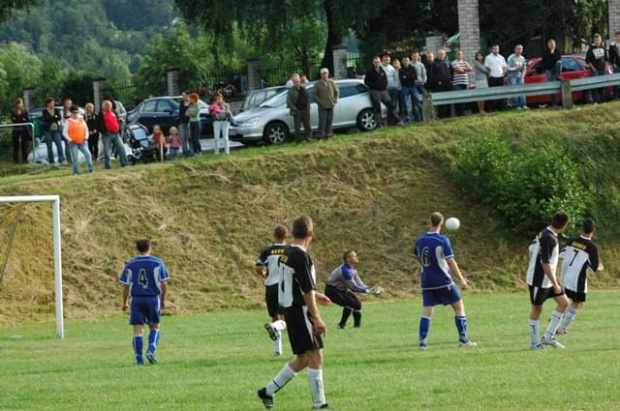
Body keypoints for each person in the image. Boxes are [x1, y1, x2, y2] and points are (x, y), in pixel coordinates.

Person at [257, 216, 332, 410]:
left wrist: (318, 295)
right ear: (311, 234)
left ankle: (268, 391)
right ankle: (319, 405)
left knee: (304, 358)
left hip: (290, 309)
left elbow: (295, 284)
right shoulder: (301, 255)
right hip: (300, 311)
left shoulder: (287, 253)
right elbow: (306, 290)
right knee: (316, 355)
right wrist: (317, 318)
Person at [413, 212, 476, 350]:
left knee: (427, 311)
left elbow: (417, 256)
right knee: (459, 307)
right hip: (443, 280)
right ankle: (463, 340)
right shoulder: (442, 240)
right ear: (441, 224)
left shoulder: (420, 240)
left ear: (429, 221)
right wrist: (461, 280)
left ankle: (422, 343)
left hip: (426, 281)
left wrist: (428, 266)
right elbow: (450, 260)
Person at [119, 238, 170, 365]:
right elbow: (164, 283)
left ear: (138, 249)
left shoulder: (130, 264)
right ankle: (151, 350)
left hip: (136, 299)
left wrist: (124, 303)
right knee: (155, 326)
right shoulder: (157, 262)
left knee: (138, 330)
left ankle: (139, 360)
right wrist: (163, 299)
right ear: (149, 248)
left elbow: (126, 286)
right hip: (153, 298)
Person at [526, 211, 571, 349]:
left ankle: (548, 337)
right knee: (537, 309)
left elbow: (531, 249)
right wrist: (555, 283)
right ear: (564, 226)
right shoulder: (548, 238)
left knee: (564, 303)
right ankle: (534, 343)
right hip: (539, 281)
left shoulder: (545, 232)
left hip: (549, 278)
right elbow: (544, 263)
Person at [557, 218, 604, 335]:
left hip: (565, 276)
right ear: (594, 230)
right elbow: (593, 267)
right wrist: (599, 267)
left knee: (566, 301)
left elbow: (560, 254)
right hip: (577, 279)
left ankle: (557, 320)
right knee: (577, 303)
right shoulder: (591, 247)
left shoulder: (571, 240)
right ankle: (561, 328)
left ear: (581, 228)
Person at [255, 225, 289, 357]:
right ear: (286, 236)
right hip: (285, 285)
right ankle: (276, 328)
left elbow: (258, 267)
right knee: (285, 318)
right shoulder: (289, 250)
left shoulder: (267, 251)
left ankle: (277, 350)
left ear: (274, 236)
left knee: (274, 316)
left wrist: (264, 274)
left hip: (270, 286)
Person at [325, 250, 370, 329]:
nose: (356, 257)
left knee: (357, 304)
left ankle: (357, 327)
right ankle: (341, 325)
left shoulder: (352, 269)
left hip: (341, 290)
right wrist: (366, 291)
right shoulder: (345, 270)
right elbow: (353, 287)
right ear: (348, 259)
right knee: (350, 303)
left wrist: (371, 289)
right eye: (354, 256)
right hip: (332, 290)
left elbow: (360, 284)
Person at [364, 56, 403, 128]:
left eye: (378, 62)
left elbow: (385, 80)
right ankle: (380, 124)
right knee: (377, 107)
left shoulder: (382, 70)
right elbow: (366, 82)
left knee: (391, 105)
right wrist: (374, 85)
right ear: (373, 62)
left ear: (380, 62)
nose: (377, 63)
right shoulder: (369, 71)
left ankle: (398, 120)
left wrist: (384, 86)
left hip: (383, 90)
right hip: (375, 91)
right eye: (375, 62)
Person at [62, 105, 94, 175]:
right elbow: (64, 132)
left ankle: (91, 169)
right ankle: (75, 172)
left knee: (88, 154)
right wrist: (69, 139)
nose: (75, 114)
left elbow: (86, 129)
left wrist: (86, 137)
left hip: (83, 141)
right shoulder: (68, 121)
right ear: (71, 113)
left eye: (77, 112)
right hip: (73, 142)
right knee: (75, 158)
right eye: (74, 112)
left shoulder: (81, 119)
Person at [99, 99, 129, 169]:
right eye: (107, 105)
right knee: (107, 151)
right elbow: (99, 125)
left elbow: (117, 120)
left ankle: (125, 163)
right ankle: (108, 166)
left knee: (121, 148)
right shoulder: (101, 114)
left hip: (116, 133)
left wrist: (119, 128)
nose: (108, 106)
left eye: (109, 105)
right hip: (107, 134)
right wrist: (104, 132)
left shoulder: (113, 112)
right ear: (103, 106)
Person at [313, 68, 339, 139]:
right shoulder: (317, 84)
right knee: (322, 121)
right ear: (321, 75)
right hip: (322, 106)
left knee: (329, 120)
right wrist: (320, 102)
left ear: (328, 74)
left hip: (331, 105)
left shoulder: (332, 82)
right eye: (323, 73)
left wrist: (335, 100)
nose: (325, 75)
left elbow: (337, 92)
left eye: (326, 73)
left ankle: (328, 134)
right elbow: (315, 95)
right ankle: (321, 135)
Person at [287, 73, 313, 143]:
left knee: (307, 125)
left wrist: (308, 107)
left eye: (298, 81)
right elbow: (289, 102)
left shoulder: (304, 89)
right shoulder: (291, 91)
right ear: (293, 82)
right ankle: (298, 139)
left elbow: (307, 98)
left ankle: (308, 137)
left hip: (305, 110)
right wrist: (295, 108)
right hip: (297, 111)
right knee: (297, 127)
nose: (297, 83)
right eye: (295, 82)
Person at [586, 33, 608, 104]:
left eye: (598, 40)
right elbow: (587, 60)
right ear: (593, 41)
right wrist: (593, 68)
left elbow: (606, 59)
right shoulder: (591, 49)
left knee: (602, 86)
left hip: (602, 70)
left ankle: (602, 101)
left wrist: (606, 67)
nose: (597, 41)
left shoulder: (603, 48)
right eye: (595, 40)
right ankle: (595, 100)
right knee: (594, 86)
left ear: (600, 40)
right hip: (595, 71)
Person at [42, 97, 65, 164]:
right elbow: (47, 119)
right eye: (51, 103)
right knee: (49, 146)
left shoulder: (56, 110)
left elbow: (59, 118)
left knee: (59, 144)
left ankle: (61, 159)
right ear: (48, 104)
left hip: (56, 129)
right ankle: (51, 161)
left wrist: (53, 118)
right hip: (48, 130)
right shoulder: (44, 111)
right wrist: (54, 117)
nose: (53, 104)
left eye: (53, 103)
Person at [484, 44, 507, 112]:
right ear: (491, 49)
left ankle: (501, 107)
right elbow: (486, 67)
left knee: (501, 93)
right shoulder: (488, 57)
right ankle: (492, 108)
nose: (496, 50)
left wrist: (503, 73)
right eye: (494, 49)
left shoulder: (501, 57)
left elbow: (504, 67)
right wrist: (489, 74)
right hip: (492, 77)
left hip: (500, 77)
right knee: (492, 93)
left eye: (497, 49)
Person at [432, 49, 454, 118]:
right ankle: (441, 116)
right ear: (437, 55)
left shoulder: (448, 62)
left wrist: (451, 79)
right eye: (440, 54)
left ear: (445, 55)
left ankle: (448, 115)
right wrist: (438, 81)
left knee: (449, 100)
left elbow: (452, 71)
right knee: (441, 101)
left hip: (448, 83)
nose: (441, 56)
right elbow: (433, 74)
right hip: (440, 84)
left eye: (443, 54)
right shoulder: (434, 63)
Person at [541, 39, 562, 106]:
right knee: (552, 85)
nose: (552, 45)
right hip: (548, 70)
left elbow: (557, 59)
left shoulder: (557, 52)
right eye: (550, 44)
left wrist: (552, 53)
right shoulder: (545, 52)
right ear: (548, 45)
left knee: (559, 62)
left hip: (555, 70)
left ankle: (558, 75)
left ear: (555, 45)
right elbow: (544, 62)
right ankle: (554, 103)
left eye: (553, 44)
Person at [451, 50, 472, 116]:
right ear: (455, 55)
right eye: (458, 54)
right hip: (457, 83)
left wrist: (462, 69)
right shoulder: (454, 62)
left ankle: (462, 113)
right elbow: (458, 70)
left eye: (460, 54)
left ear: (462, 55)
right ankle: (458, 113)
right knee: (458, 98)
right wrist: (465, 69)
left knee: (464, 98)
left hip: (464, 83)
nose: (459, 55)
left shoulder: (465, 62)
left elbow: (470, 69)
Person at [10, 98, 31, 164]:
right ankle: (15, 161)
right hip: (16, 130)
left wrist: (19, 119)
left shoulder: (25, 111)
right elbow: (13, 120)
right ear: (16, 104)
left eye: (21, 103)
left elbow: (27, 120)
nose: (20, 105)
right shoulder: (13, 112)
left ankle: (25, 160)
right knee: (15, 146)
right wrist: (21, 119)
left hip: (23, 130)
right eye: (18, 103)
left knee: (24, 145)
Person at [506, 44, 528, 110]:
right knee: (515, 91)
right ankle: (517, 105)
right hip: (512, 76)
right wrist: (516, 68)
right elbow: (508, 68)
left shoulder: (522, 58)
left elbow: (524, 68)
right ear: (515, 49)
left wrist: (522, 76)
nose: (520, 50)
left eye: (521, 49)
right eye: (518, 49)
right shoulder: (511, 57)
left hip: (520, 76)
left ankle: (524, 105)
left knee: (522, 90)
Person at [383, 55, 402, 122]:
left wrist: (396, 87)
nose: (387, 61)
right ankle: (392, 120)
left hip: (393, 89)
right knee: (388, 105)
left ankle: (393, 121)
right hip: (385, 90)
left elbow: (396, 78)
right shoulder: (381, 68)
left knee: (394, 105)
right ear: (383, 60)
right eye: (385, 60)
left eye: (388, 60)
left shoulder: (391, 68)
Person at [400, 56, 418, 123]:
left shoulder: (412, 68)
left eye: (407, 60)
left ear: (409, 61)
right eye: (404, 60)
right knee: (406, 104)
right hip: (405, 87)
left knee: (417, 101)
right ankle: (408, 119)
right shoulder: (401, 70)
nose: (406, 62)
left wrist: (406, 76)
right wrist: (410, 76)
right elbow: (402, 78)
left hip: (413, 86)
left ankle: (418, 117)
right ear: (402, 61)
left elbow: (415, 77)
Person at [411, 52, 427, 121]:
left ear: (418, 57)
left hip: (420, 84)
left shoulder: (421, 65)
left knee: (425, 99)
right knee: (415, 102)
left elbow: (424, 74)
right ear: (411, 56)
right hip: (413, 85)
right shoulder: (410, 64)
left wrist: (423, 82)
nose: (415, 57)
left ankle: (425, 117)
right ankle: (417, 118)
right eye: (414, 56)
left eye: (416, 56)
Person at [178, 90, 192, 156]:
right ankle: (185, 152)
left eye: (183, 95)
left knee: (190, 137)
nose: (182, 96)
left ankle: (191, 151)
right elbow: (180, 113)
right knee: (183, 138)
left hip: (190, 122)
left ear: (188, 95)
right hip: (182, 122)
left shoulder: (191, 103)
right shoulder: (181, 103)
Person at [608, 31, 620, 99]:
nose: (618, 38)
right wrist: (613, 64)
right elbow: (610, 57)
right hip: (616, 66)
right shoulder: (612, 45)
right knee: (616, 82)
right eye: (617, 36)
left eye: (619, 36)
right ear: (615, 37)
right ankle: (616, 96)